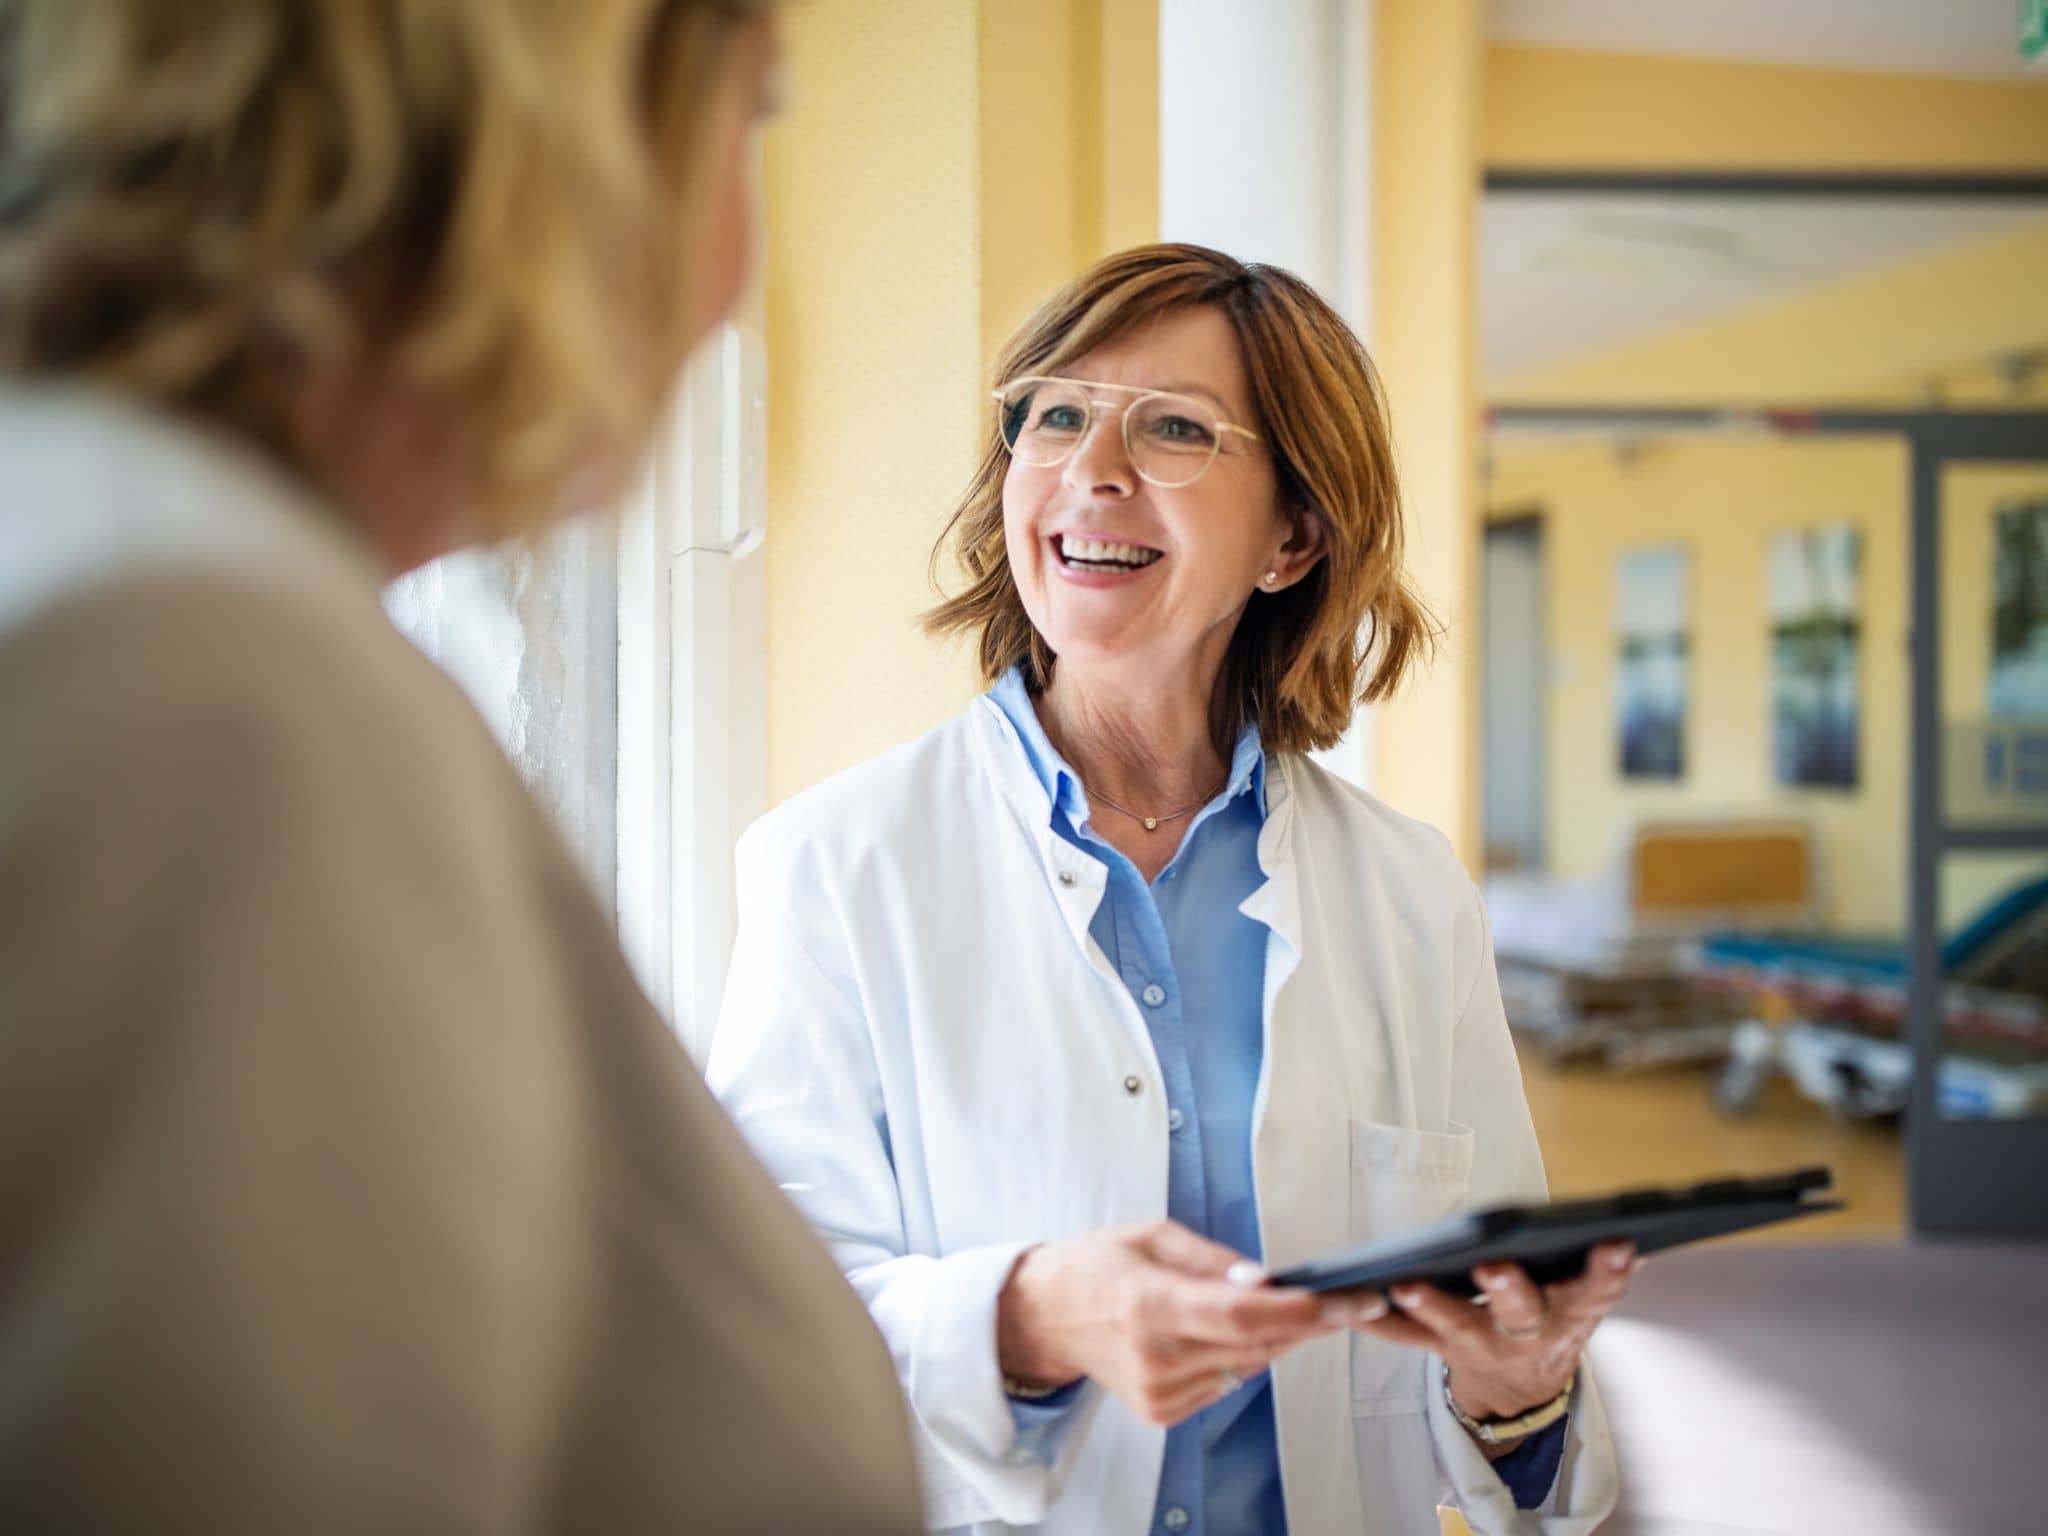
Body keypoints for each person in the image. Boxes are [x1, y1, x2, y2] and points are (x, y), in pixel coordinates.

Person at [0, 3, 921, 1530]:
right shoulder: (214, 695)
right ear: (567, 147)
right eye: (753, 122)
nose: (742, 264)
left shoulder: (134, 566)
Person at [709, 243, 1629, 1534]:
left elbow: (1504, 1370)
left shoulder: (1411, 893)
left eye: (1177, 429)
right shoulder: (835, 865)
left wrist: (1518, 1398)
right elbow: (758, 1329)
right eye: (1058, 414)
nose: (1093, 467)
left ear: (1293, 538)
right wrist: (1028, 1314)